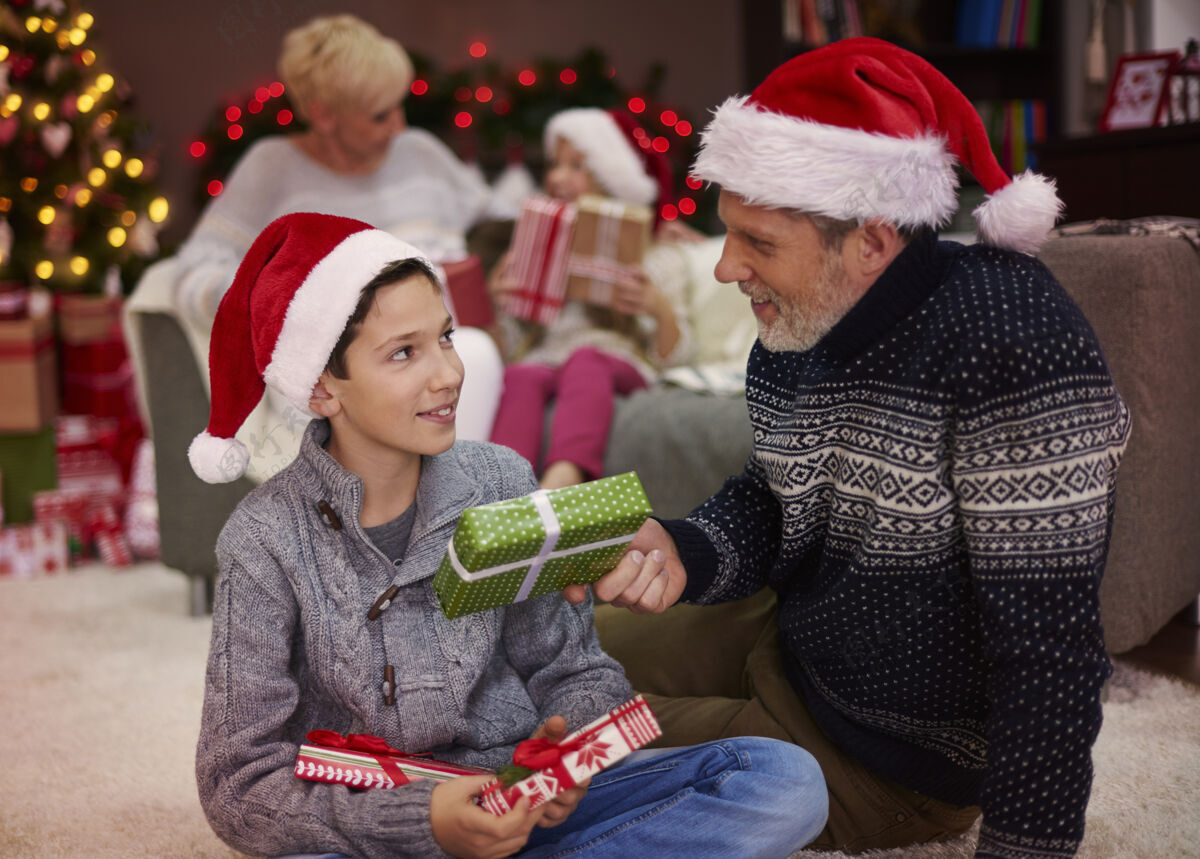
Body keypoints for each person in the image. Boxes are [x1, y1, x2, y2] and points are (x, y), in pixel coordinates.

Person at [571, 38, 1132, 857]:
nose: (728, 268)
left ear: (871, 240)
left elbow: (1050, 656)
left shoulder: (1013, 346)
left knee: (543, 735)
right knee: (543, 647)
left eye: (757, 242)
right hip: (792, 644)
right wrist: (683, 550)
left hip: (889, 762)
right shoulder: (796, 324)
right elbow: (775, 497)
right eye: (728, 234)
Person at [190, 211, 827, 858]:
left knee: (784, 780)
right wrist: (425, 821)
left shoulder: (501, 480)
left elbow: (575, 669)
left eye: (446, 337)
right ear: (323, 387)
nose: (447, 373)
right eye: (404, 352)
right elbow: (238, 787)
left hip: (519, 805)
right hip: (375, 832)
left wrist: (569, 757)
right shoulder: (263, 541)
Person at [159, 14, 502, 482]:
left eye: (400, 106)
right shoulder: (272, 169)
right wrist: (285, 304)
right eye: (380, 114)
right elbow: (192, 272)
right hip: (339, 362)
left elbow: (497, 219)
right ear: (323, 114)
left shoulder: (419, 152)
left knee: (476, 356)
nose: (398, 126)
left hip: (440, 339)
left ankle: (452, 521)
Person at [488, 108, 693, 490]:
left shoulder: (657, 257)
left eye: (577, 166)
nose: (556, 177)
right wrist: (501, 304)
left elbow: (677, 359)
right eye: (555, 164)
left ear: (608, 176)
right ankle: (504, 493)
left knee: (585, 361)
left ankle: (563, 480)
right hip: (547, 358)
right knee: (520, 375)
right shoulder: (536, 248)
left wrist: (658, 308)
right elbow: (512, 350)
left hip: (614, 357)